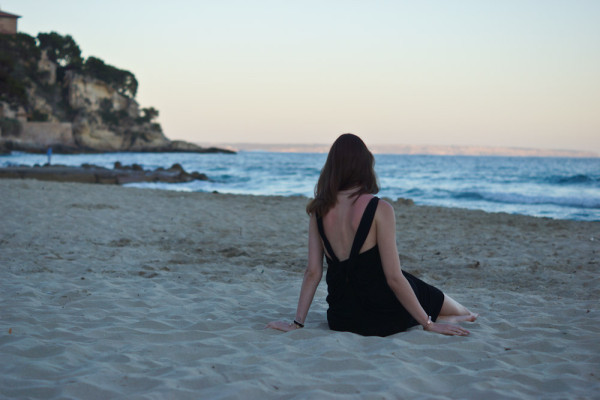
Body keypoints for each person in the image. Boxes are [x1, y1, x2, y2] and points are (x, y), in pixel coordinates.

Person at [267, 134, 477, 337]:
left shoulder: (318, 211)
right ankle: (457, 317)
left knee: (411, 282)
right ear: (365, 165)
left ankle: (447, 317)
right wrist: (428, 324)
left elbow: (312, 272)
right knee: (454, 308)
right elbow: (393, 278)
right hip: (383, 318)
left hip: (341, 319)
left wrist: (297, 323)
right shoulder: (380, 209)